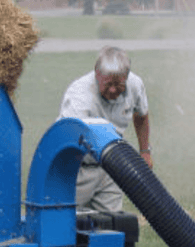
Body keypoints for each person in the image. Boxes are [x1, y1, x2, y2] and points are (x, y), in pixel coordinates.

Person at [56, 46, 153, 212]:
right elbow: (70, 137)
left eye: (118, 84)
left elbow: (142, 116)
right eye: (108, 84)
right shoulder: (80, 96)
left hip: (110, 166)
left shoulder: (135, 85)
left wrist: (145, 151)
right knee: (66, 221)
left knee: (111, 223)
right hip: (78, 167)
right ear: (96, 74)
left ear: (127, 77)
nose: (113, 90)